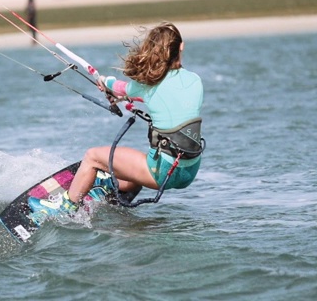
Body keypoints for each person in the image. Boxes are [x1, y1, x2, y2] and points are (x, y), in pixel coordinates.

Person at [29, 22, 204, 215]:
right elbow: (165, 97)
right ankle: (115, 185)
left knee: (92, 157)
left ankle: (64, 208)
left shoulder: (147, 86)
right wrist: (126, 96)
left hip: (163, 173)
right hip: (189, 172)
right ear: (181, 46)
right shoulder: (195, 81)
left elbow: (119, 86)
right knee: (139, 160)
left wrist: (104, 82)